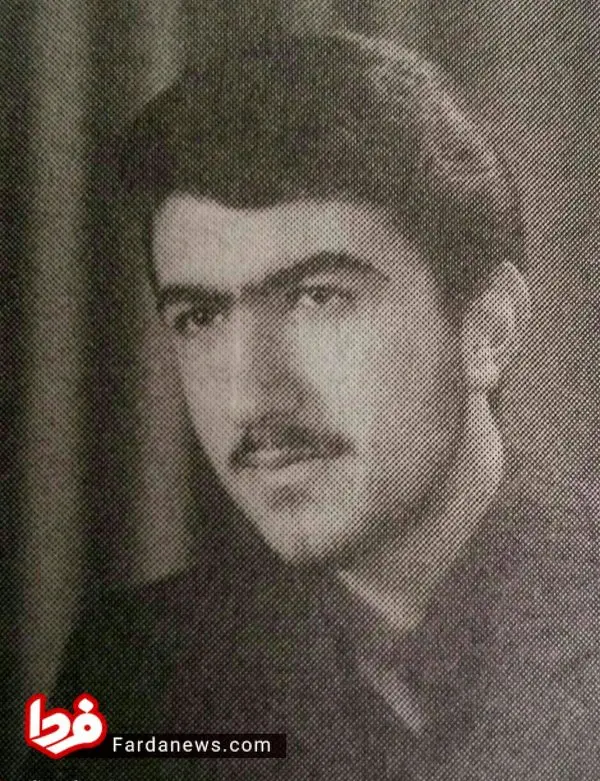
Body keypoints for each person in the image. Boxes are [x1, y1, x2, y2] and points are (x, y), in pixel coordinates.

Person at [23, 32, 600, 780]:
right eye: (200, 316)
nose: (250, 394)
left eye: (318, 297)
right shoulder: (136, 668)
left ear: (487, 327)